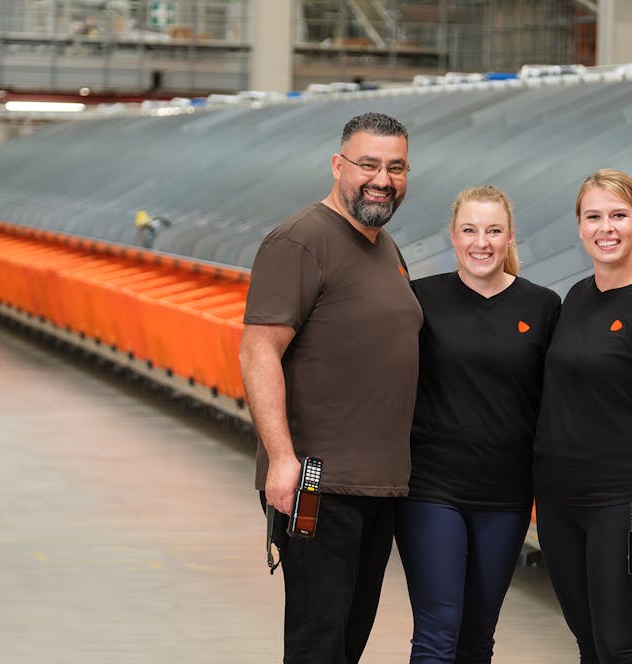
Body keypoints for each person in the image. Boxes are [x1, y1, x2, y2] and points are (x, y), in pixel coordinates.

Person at [238, 112, 423, 664]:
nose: (382, 180)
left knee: (348, 642)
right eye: (368, 165)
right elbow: (258, 350)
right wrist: (281, 459)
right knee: (318, 644)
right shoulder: (300, 241)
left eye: (395, 168)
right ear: (338, 165)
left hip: (379, 486)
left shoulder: (386, 247)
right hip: (319, 483)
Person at [395, 185, 561, 663]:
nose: (481, 242)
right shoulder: (420, 301)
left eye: (493, 230)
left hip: (505, 495)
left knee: (477, 637)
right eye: (469, 230)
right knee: (438, 629)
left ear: (510, 237)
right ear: (453, 236)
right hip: (431, 489)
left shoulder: (543, 307)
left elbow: (561, 396)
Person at [532, 169, 632, 664]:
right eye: (594, 216)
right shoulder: (575, 298)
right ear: (579, 226)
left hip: (623, 504)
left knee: (620, 646)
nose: (607, 228)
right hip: (559, 501)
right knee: (587, 643)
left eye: (618, 216)